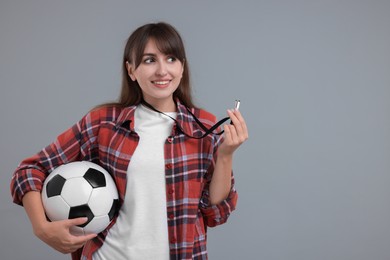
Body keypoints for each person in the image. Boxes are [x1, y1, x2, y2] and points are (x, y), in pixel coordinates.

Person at [10, 22, 248, 260]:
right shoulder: (104, 123)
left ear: (182, 68)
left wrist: (226, 154)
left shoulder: (203, 126)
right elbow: (29, 171)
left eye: (171, 59)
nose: (162, 71)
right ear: (131, 70)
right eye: (149, 60)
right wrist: (41, 227)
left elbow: (216, 213)